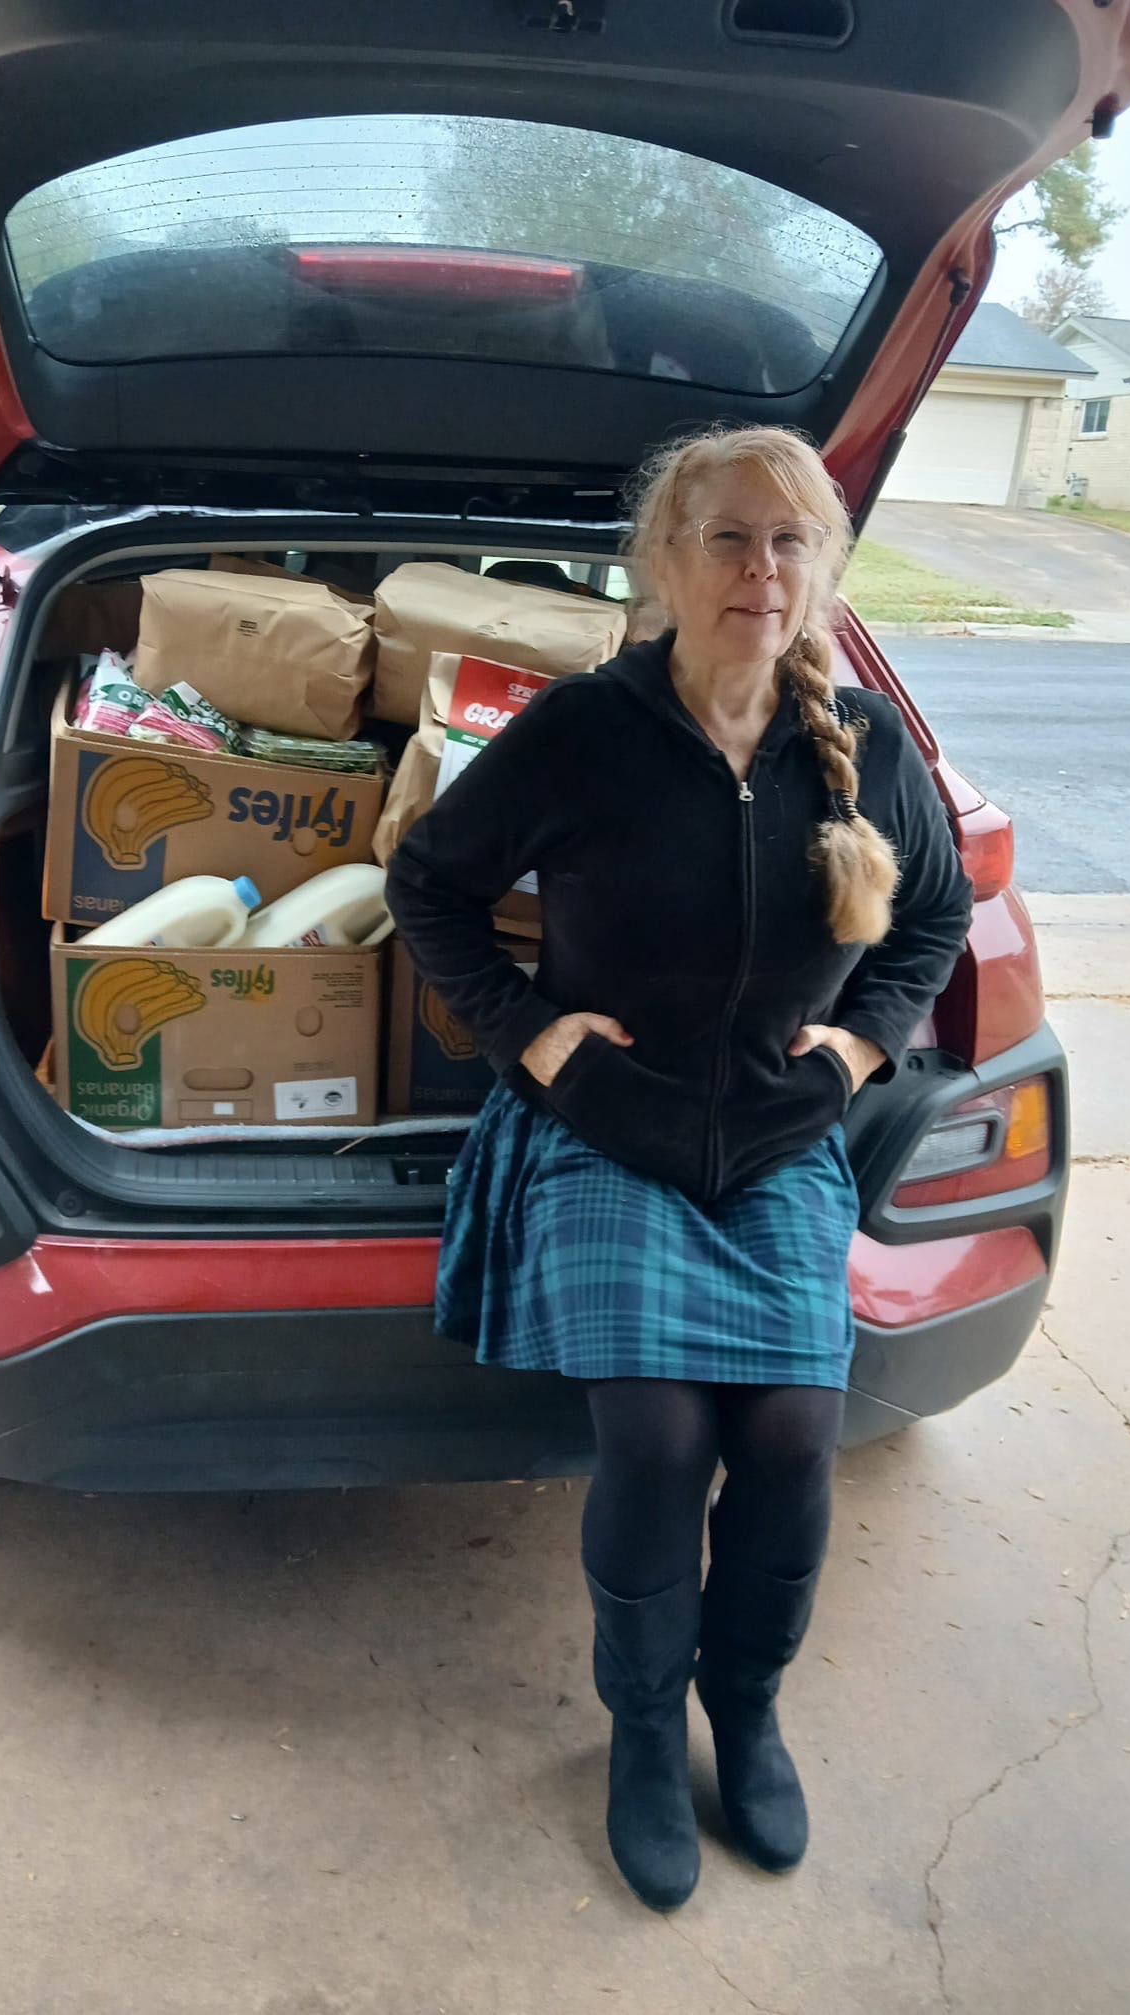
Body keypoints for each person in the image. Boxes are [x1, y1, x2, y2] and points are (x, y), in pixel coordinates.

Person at [384, 425, 974, 1912]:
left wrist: (853, 1058)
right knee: (653, 1441)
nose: (758, 572)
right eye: (725, 538)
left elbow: (932, 921)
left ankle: (748, 1707)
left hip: (777, 1135)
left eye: (789, 543)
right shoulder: (584, 730)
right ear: (662, 562)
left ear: (823, 569)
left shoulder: (866, 749)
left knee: (788, 1437)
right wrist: (531, 1039)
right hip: (613, 1123)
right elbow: (430, 885)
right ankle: (644, 1734)